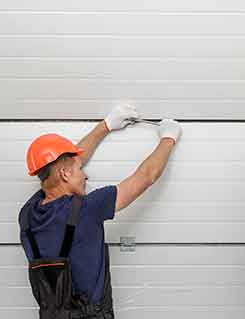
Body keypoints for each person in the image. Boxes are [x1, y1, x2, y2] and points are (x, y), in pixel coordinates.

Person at [18, 105, 182, 318]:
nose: (85, 176)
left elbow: (62, 167)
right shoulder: (87, 209)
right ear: (65, 174)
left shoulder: (28, 215)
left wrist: (106, 126)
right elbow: (146, 177)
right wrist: (169, 137)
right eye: (80, 170)